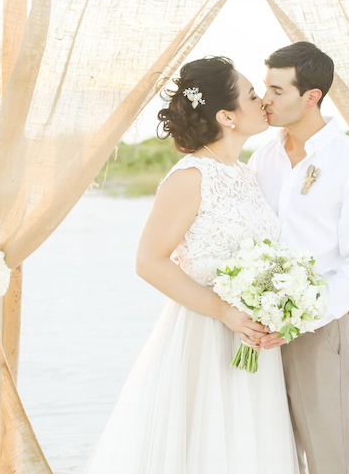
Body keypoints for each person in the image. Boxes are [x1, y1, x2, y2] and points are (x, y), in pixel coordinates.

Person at [83, 56, 300, 474]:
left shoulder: (245, 173)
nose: (262, 103)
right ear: (226, 116)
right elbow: (148, 261)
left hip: (250, 336)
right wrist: (225, 312)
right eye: (253, 96)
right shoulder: (190, 177)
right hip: (205, 333)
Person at [251, 42, 349, 474]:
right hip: (251, 327)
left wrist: (297, 319)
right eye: (264, 87)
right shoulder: (261, 157)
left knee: (329, 454)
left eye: (277, 90)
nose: (265, 99)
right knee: (263, 449)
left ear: (312, 96)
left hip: (318, 328)